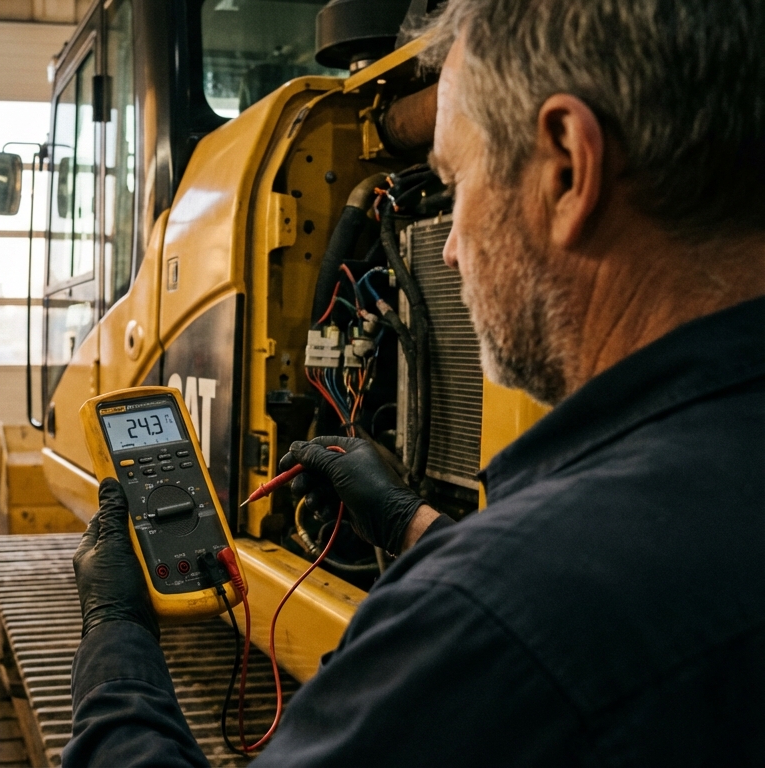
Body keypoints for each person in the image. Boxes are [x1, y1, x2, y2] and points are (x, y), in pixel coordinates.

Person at [62, 0, 765, 764]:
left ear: (567, 167)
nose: (452, 246)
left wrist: (114, 633)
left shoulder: (496, 623)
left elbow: (535, 608)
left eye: (454, 184)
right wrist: (414, 526)